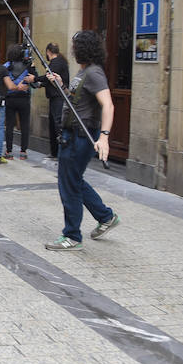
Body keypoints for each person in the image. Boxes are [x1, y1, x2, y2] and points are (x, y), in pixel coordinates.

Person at [44, 30, 120, 251]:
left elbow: (108, 104)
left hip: (81, 136)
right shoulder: (84, 71)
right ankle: (106, 217)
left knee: (68, 184)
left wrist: (104, 137)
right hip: (72, 134)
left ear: (84, 48)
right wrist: (61, 85)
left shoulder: (95, 73)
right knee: (73, 180)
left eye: (75, 46)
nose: (73, 50)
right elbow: (77, 100)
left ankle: (72, 235)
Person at [33, 42, 70, 158]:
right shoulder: (58, 61)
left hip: (57, 97)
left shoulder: (57, 62)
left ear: (48, 52)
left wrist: (34, 78)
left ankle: (60, 152)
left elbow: (50, 76)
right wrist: (41, 84)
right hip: (55, 97)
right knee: (53, 124)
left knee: (57, 124)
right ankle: (54, 152)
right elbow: (49, 80)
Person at [3, 44, 39, 160]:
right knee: (24, 125)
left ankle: (9, 151)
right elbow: (35, 83)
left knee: (9, 125)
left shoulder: (6, 66)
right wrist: (33, 68)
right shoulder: (27, 66)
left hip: (10, 98)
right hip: (23, 98)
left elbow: (3, 82)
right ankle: (23, 151)